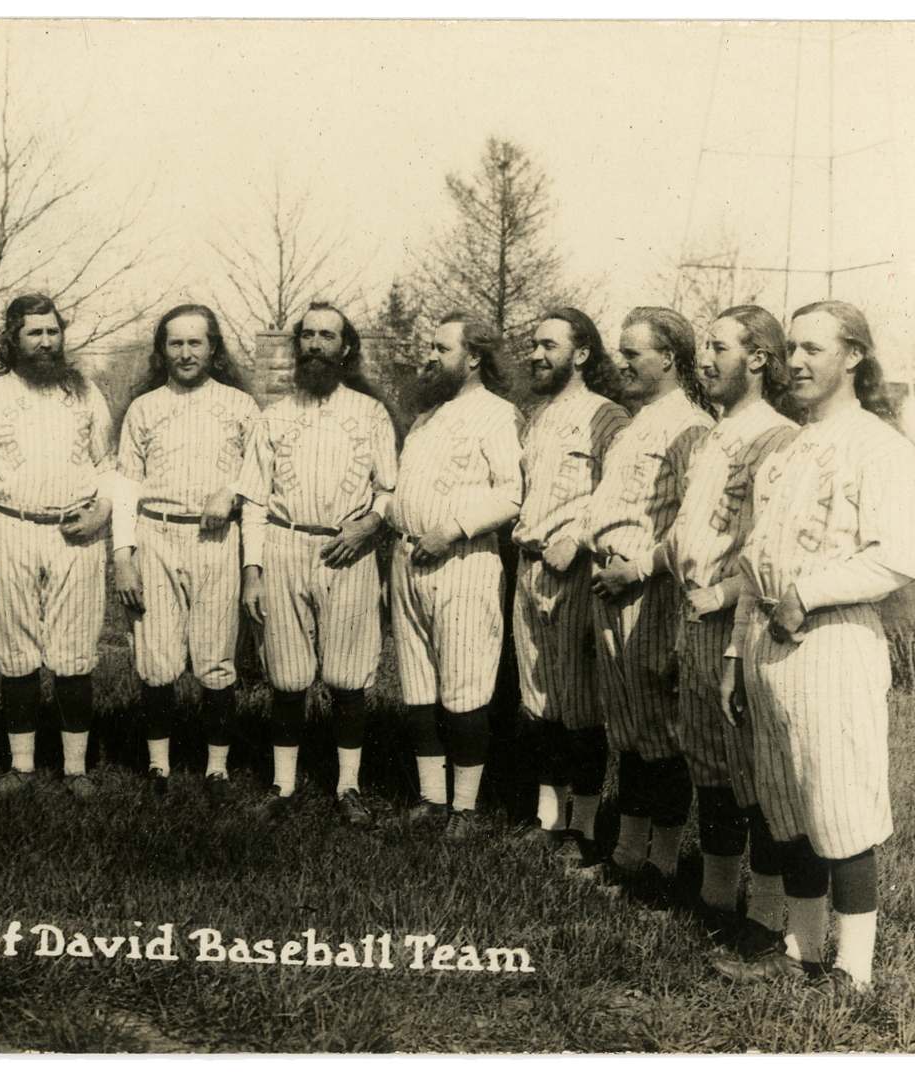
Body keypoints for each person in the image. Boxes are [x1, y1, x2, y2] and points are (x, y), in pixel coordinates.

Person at [714, 300, 915, 997]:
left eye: (812, 349)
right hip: (768, 643)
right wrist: (734, 659)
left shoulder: (881, 446)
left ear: (853, 356)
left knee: (838, 806)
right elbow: (754, 562)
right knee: (787, 803)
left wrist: (808, 593)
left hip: (833, 639)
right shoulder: (784, 449)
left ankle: (851, 970)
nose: (794, 363)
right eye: (789, 350)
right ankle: (800, 952)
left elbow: (894, 558)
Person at [660, 305, 798, 951]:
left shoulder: (776, 439)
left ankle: (766, 918)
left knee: (755, 780)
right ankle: (716, 898)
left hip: (739, 626)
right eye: (703, 346)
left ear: (759, 359)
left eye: (718, 347)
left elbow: (773, 556)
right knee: (710, 771)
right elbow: (689, 536)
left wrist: (719, 595)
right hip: (695, 620)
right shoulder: (714, 435)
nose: (703, 358)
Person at [238, 302, 398, 827]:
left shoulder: (370, 413)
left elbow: (390, 489)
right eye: (306, 335)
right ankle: (283, 787)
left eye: (327, 336)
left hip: (347, 549)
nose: (314, 345)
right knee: (286, 676)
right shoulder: (274, 415)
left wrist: (371, 525)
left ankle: (347, 787)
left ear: (345, 348)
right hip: (285, 545)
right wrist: (252, 572)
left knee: (348, 677)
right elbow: (255, 502)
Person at [0, 295, 116, 798]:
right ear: (14, 340)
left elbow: (111, 467)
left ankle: (75, 769)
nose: (46, 342)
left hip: (74, 533)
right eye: (34, 333)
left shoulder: (86, 392)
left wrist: (103, 512)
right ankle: (21, 766)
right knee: (16, 652)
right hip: (9, 528)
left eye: (53, 332)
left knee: (73, 656)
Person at [582, 307, 713, 905]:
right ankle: (627, 855)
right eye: (621, 351)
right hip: (610, 585)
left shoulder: (689, 426)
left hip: (651, 591)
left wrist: (637, 568)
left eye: (634, 353)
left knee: (659, 732)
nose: (622, 362)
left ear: (670, 358)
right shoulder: (636, 423)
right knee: (629, 730)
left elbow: (694, 524)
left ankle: (660, 865)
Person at [112, 304, 258, 801]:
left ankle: (216, 768)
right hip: (155, 535)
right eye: (175, 343)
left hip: (216, 540)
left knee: (215, 658)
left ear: (214, 348)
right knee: (156, 659)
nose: (185, 352)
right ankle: (159, 766)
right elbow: (126, 485)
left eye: (196, 343)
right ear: (162, 350)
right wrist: (123, 554)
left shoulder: (240, 405)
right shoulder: (144, 408)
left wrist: (233, 489)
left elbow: (262, 476)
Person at [387, 314, 522, 839]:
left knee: (464, 690)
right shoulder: (426, 416)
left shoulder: (499, 415)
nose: (430, 356)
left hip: (463, 561)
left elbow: (511, 493)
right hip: (408, 559)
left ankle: (464, 810)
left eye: (441, 348)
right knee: (418, 685)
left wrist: (454, 528)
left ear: (473, 357)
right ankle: (430, 799)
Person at [511, 309, 629, 864]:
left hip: (576, 571)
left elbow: (618, 493)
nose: (537, 354)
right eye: (533, 345)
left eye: (549, 345)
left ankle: (582, 829)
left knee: (579, 704)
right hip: (530, 565)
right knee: (539, 701)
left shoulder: (609, 417)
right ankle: (547, 818)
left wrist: (580, 537)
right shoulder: (536, 417)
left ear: (581, 354)